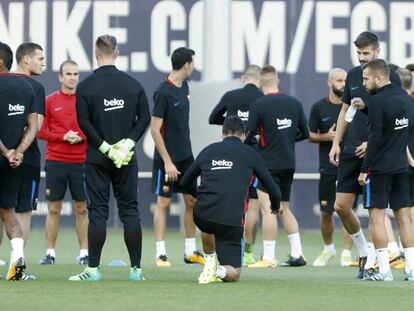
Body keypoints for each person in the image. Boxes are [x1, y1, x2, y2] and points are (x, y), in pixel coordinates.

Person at [69, 34, 150, 281]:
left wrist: (106, 148)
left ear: (96, 54)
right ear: (116, 53)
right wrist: (126, 145)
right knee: (130, 211)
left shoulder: (85, 86)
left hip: (97, 158)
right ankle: (136, 271)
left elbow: (84, 122)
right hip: (125, 159)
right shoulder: (133, 84)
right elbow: (145, 118)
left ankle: (93, 270)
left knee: (98, 212)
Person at [329, 32, 403, 279]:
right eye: (358, 53)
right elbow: (345, 111)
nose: (361, 58)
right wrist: (336, 142)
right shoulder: (352, 75)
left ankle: (378, 261)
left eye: (366, 53)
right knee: (341, 206)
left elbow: (394, 119)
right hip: (350, 150)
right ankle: (364, 251)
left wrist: (371, 143)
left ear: (377, 52)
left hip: (377, 153)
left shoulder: (389, 76)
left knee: (376, 213)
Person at [180, 116, 281, 283]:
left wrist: (199, 197)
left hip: (202, 215)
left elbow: (184, 182)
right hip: (230, 221)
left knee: (208, 222)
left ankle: (209, 262)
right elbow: (273, 189)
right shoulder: (250, 153)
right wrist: (275, 205)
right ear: (244, 135)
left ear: (222, 134)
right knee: (233, 274)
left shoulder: (208, 150)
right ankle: (218, 270)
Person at [246, 65, 309, 268]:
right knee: (283, 208)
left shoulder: (258, 104)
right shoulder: (294, 102)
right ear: (277, 81)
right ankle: (298, 254)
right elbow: (305, 133)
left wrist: (258, 142)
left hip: (267, 164)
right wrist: (287, 139)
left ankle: (268, 257)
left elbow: (248, 135)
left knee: (268, 209)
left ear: (261, 83)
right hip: (288, 163)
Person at [358, 59, 414, 281]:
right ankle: (411, 270)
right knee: (404, 219)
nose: (363, 83)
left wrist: (364, 169)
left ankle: (383, 271)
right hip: (401, 167)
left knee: (377, 219)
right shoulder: (403, 97)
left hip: (379, 169)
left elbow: (377, 137)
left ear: (378, 78)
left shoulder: (377, 101)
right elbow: (402, 130)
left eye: (366, 78)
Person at [150, 47, 204, 267]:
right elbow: (154, 129)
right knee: (163, 203)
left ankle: (190, 251)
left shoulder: (185, 86)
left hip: (186, 156)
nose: (194, 67)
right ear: (186, 65)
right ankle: (160, 254)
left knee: (192, 201)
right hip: (167, 160)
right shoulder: (163, 91)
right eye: (193, 63)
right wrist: (167, 161)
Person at [208, 64, 263, 266]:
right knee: (253, 207)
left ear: (242, 78)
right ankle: (247, 253)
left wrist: (233, 121)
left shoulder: (230, 95)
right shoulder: (262, 98)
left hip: (229, 152)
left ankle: (223, 251)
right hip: (253, 153)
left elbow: (212, 118)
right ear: (260, 79)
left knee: (229, 201)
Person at [37, 60, 89, 265]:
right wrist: (63, 136)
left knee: (82, 208)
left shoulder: (85, 100)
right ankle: (50, 253)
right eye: (68, 74)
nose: (72, 77)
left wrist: (82, 137)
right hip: (56, 161)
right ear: (60, 77)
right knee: (54, 209)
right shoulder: (50, 101)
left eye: (75, 74)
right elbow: (40, 131)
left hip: (81, 162)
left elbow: (94, 128)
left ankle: (84, 253)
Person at [308, 68, 354, 267]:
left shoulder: (352, 107)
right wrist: (327, 137)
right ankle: (328, 250)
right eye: (339, 80)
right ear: (329, 82)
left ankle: (346, 253)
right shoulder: (319, 107)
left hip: (349, 166)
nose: (343, 84)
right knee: (326, 211)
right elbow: (309, 135)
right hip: (327, 167)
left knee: (346, 210)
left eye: (345, 80)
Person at [0, 41, 38, 280]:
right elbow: (33, 126)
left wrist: (6, 152)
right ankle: (18, 261)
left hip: (5, 156)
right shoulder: (26, 88)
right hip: (13, 163)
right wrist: (18, 152)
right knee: (9, 211)